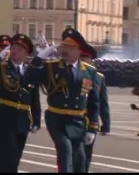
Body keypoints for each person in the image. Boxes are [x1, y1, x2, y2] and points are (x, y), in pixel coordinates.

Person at [26, 28, 100, 173]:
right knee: (65, 152)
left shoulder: (89, 71)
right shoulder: (51, 67)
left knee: (80, 161)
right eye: (65, 47)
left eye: (71, 48)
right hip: (57, 118)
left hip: (78, 121)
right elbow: (28, 77)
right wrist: (39, 58)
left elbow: (93, 102)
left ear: (79, 51)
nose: (66, 51)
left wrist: (92, 128)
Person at [0, 34, 41, 173]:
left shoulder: (30, 71)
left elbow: (34, 97)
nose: (15, 51)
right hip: (3, 118)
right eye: (13, 48)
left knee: (13, 158)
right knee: (7, 156)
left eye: (19, 49)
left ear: (26, 53)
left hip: (22, 120)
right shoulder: (2, 68)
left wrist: (36, 119)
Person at [80, 43, 110, 173]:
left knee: (86, 153)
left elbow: (103, 102)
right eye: (81, 58)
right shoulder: (72, 72)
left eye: (85, 58)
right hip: (73, 117)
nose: (83, 60)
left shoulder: (99, 77)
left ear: (91, 60)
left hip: (90, 120)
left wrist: (106, 124)